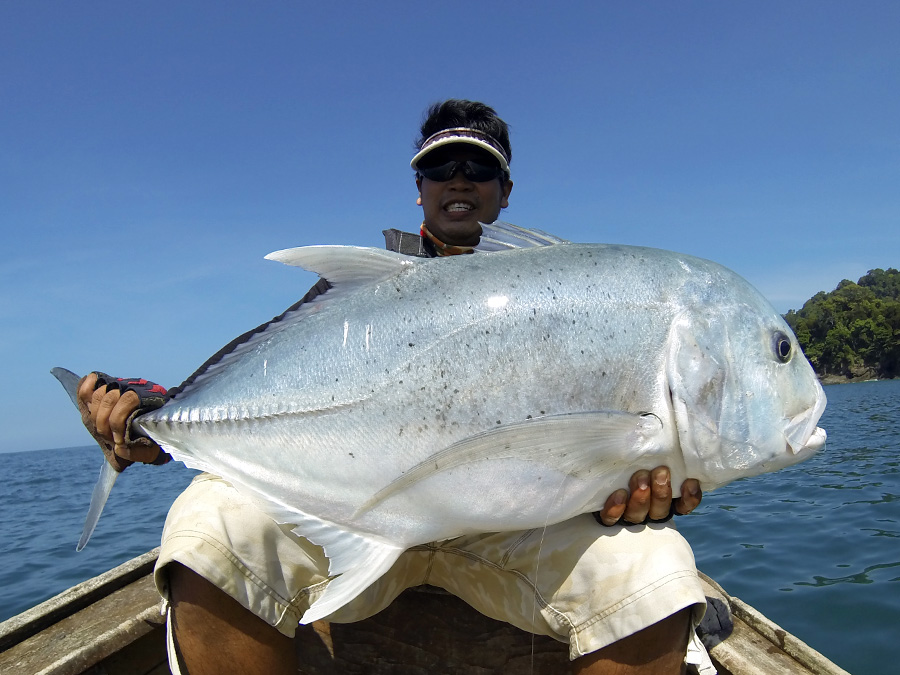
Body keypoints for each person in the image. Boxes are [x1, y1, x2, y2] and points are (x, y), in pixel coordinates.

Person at [77, 99, 708, 674]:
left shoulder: (572, 295)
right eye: (440, 168)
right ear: (420, 192)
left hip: (514, 533)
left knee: (657, 570)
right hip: (358, 512)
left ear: (505, 191)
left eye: (478, 168)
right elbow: (251, 387)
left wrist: (626, 485)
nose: (459, 179)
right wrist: (147, 418)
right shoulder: (358, 296)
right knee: (210, 526)